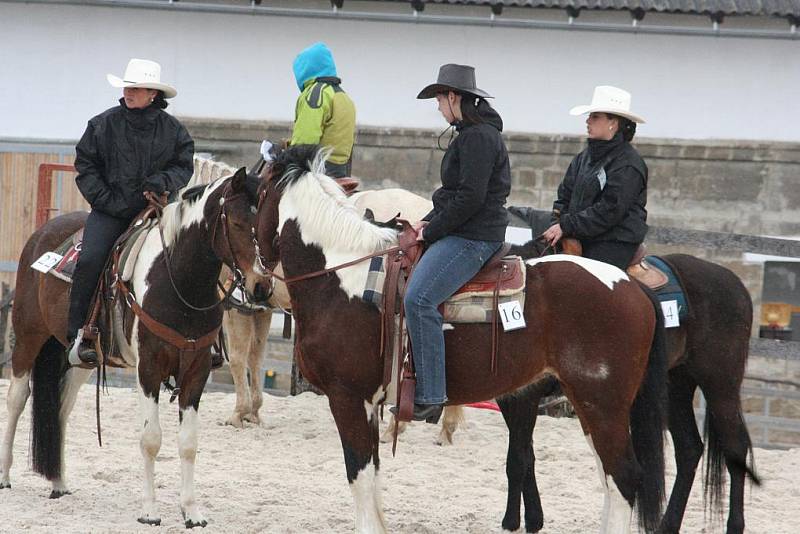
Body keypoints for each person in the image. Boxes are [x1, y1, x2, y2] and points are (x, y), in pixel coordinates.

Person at [67, 58, 194, 366]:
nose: (129, 92)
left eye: (136, 88)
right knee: (91, 259)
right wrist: (108, 200)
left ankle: (205, 340)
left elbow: (183, 166)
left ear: (153, 94)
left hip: (157, 210)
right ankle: (79, 333)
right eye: (128, 86)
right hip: (109, 211)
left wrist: (162, 182)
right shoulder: (101, 125)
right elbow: (86, 167)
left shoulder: (174, 131)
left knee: (192, 257)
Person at [403, 64, 511, 423]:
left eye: (438, 98)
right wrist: (428, 221)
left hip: (474, 236)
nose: (437, 107)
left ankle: (432, 395)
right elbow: (455, 197)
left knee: (418, 299)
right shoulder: (471, 133)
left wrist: (430, 232)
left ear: (453, 97)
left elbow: (470, 199)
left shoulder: (478, 138)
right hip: (466, 228)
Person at [541, 85, 648, 270]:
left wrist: (567, 226)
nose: (587, 121)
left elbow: (609, 210)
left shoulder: (629, 164)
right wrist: (558, 224)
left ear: (613, 123)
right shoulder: (583, 158)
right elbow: (563, 197)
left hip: (614, 241)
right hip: (579, 233)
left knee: (586, 283)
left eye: (595, 116)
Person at [290, 42, 356, 178]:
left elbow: (304, 144)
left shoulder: (315, 94)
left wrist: (285, 157)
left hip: (317, 172)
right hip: (341, 172)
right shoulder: (344, 96)